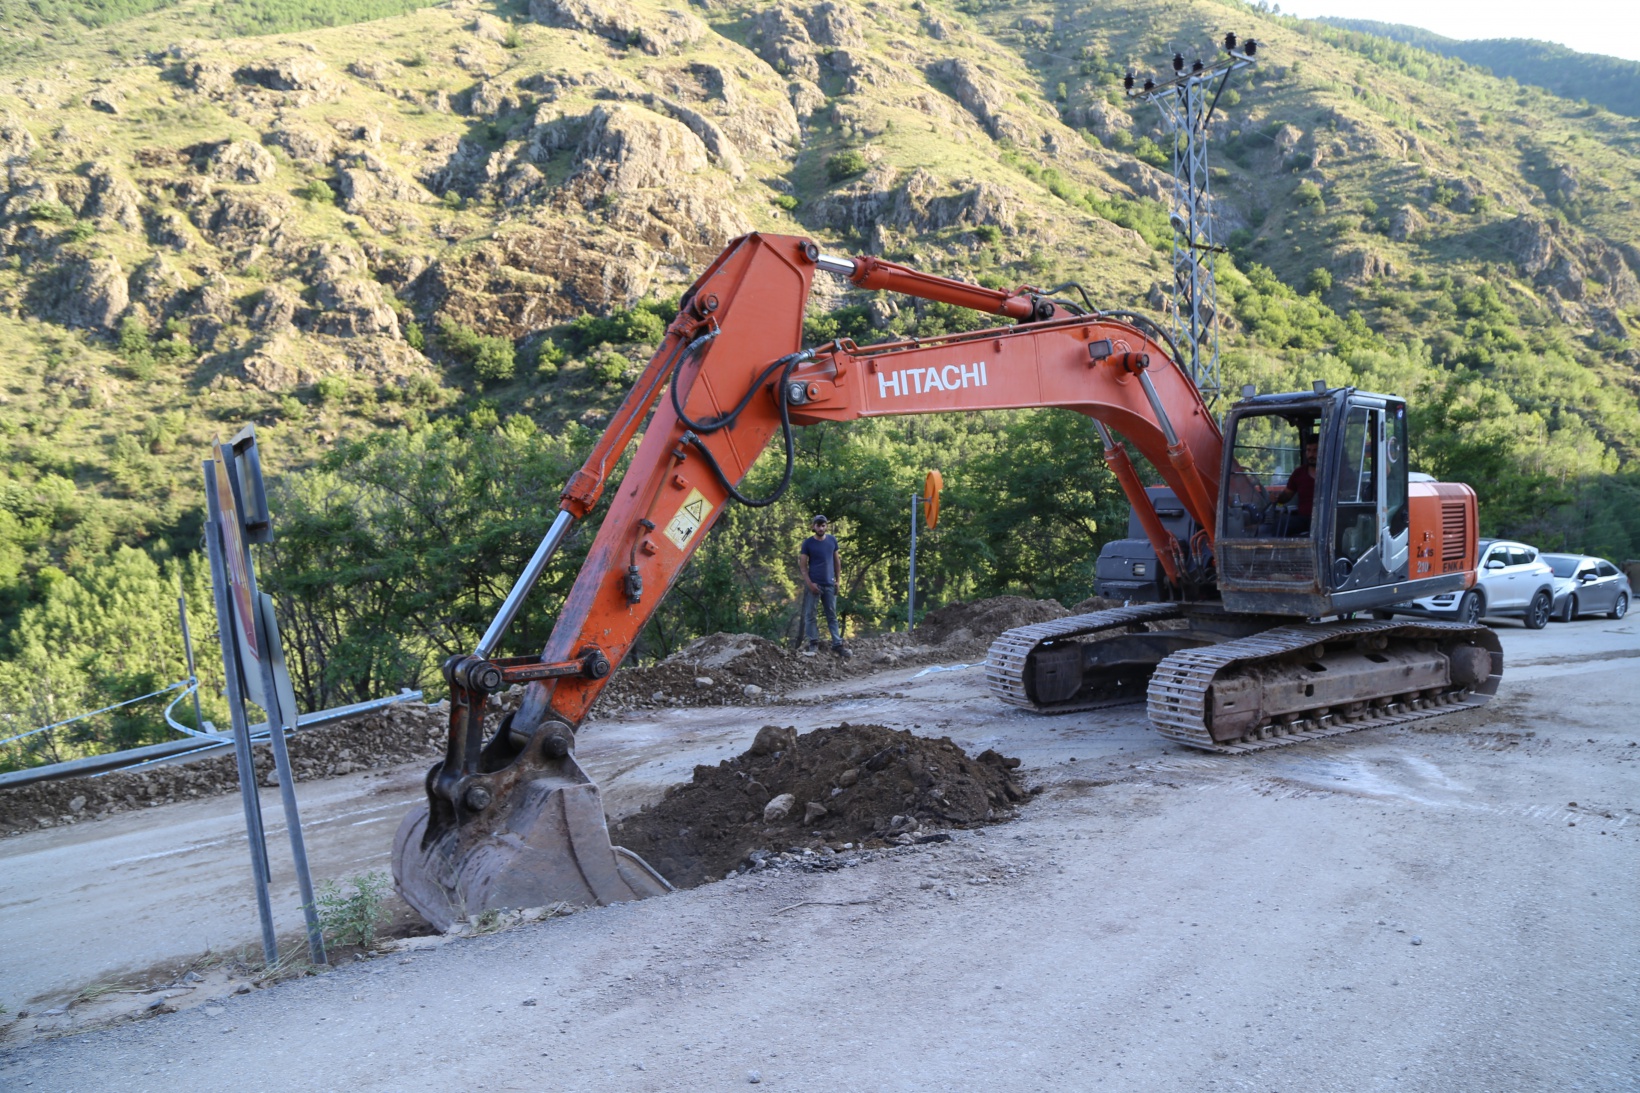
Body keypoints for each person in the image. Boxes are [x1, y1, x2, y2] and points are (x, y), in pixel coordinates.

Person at [798, 515, 851, 657]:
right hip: (815, 584)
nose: (821, 528)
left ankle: (837, 644)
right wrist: (810, 584)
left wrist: (838, 581)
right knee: (810, 614)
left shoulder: (832, 540)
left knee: (832, 614)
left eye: (823, 525)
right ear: (813, 526)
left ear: (826, 526)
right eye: (818, 525)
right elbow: (803, 566)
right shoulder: (808, 543)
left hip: (829, 584)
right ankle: (813, 643)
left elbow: (837, 562)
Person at [1273, 437, 1318, 535]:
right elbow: (1287, 495)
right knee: (1281, 524)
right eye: (1309, 450)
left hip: (1327, 520)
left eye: (1315, 451)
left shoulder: (1334, 473)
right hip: (1304, 518)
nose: (1311, 455)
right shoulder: (1299, 473)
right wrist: (1277, 498)